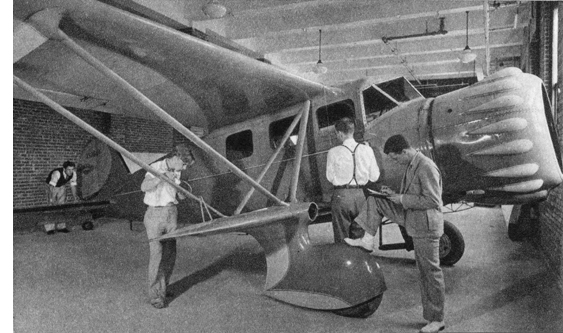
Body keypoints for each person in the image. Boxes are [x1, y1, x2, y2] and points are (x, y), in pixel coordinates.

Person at [345, 134, 445, 333]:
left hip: (425, 225)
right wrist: (391, 195)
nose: (394, 161)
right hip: (413, 218)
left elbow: (433, 201)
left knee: (430, 273)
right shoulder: (411, 164)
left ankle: (437, 319)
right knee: (375, 201)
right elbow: (413, 194)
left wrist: (401, 199)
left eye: (395, 157)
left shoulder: (426, 166)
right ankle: (367, 240)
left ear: (405, 151)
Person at [141, 144, 194, 309]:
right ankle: (156, 296)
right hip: (155, 215)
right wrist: (163, 177)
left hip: (171, 213)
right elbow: (144, 187)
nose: (184, 168)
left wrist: (181, 192)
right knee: (157, 255)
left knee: (170, 254)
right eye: (184, 164)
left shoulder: (177, 171)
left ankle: (163, 288)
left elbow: (178, 195)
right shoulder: (155, 167)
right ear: (176, 158)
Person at [326, 117, 380, 243]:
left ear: (339, 133)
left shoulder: (333, 152)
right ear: (352, 131)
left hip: (341, 196)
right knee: (359, 237)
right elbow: (374, 177)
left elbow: (329, 177)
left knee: (342, 238)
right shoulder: (367, 149)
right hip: (361, 196)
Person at [44, 160, 80, 234]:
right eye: (69, 169)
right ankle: (50, 228)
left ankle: (61, 227)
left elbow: (73, 185)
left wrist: (75, 197)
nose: (70, 171)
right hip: (51, 187)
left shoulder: (73, 174)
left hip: (61, 186)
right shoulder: (56, 173)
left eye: (72, 169)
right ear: (64, 169)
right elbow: (51, 187)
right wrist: (51, 199)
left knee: (62, 206)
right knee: (51, 207)